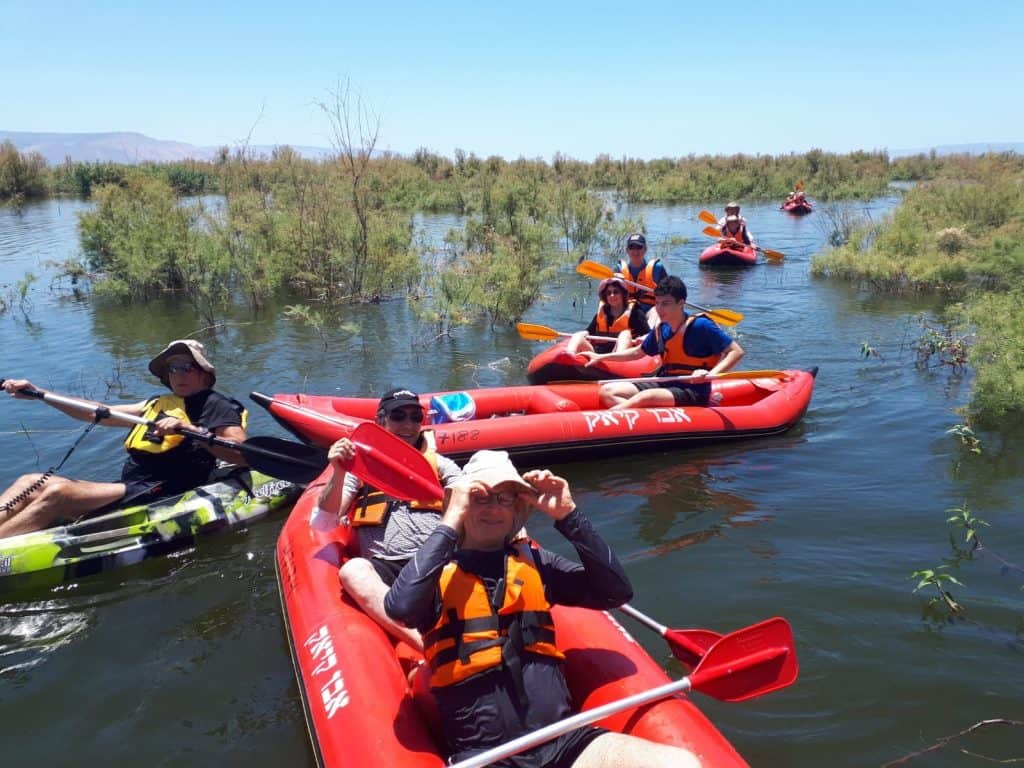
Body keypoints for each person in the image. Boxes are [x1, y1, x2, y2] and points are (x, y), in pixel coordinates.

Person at [384, 450, 700, 768]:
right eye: (480, 497)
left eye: (505, 498)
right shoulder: (434, 573)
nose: (493, 508)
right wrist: (450, 519)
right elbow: (400, 608)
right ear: (462, 503)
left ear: (517, 508)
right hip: (486, 758)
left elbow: (614, 593)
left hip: (563, 742)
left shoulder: (537, 564)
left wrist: (569, 516)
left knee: (682, 763)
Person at [0, 339, 247, 537]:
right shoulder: (157, 403)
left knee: (58, 493)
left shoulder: (214, 404)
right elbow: (96, 412)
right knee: (29, 481)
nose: (178, 374)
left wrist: (190, 430)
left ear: (203, 373)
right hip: (134, 485)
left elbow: (240, 452)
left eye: (186, 367)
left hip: (164, 489)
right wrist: (40, 394)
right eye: (172, 368)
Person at [315, 387, 462, 650]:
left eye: (415, 416)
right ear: (381, 421)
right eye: (398, 416)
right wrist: (338, 472)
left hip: (440, 559)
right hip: (387, 567)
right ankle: (426, 645)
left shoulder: (440, 465)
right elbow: (323, 523)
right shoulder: (359, 468)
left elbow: (468, 498)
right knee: (353, 571)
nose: (408, 424)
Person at [582, 275, 744, 409]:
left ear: (681, 303)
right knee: (608, 392)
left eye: (665, 304)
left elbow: (736, 352)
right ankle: (649, 420)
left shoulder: (701, 326)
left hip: (693, 389)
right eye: (657, 303)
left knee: (646, 397)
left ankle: (608, 417)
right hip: (664, 381)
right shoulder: (661, 328)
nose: (659, 309)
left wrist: (710, 375)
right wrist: (601, 357)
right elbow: (637, 353)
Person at [565, 276, 649, 356]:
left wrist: (644, 337)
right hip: (597, 356)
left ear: (623, 294)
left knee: (625, 334)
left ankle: (616, 365)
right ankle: (569, 357)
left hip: (621, 356)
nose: (612, 295)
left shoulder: (635, 313)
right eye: (608, 293)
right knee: (578, 335)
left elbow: (649, 335)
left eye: (616, 292)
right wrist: (580, 334)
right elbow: (589, 332)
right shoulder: (602, 312)